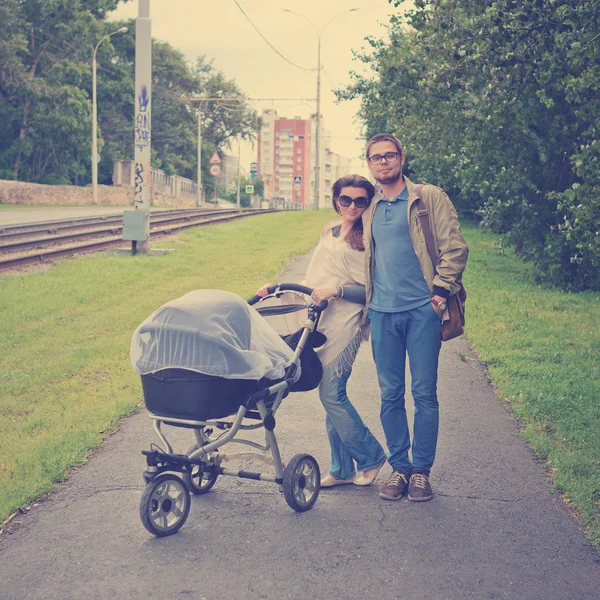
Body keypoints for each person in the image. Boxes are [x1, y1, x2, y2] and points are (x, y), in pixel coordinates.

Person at [257, 175, 386, 488]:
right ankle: (341, 468)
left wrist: (338, 289)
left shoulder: (369, 237)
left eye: (360, 201)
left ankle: (371, 456)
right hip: (318, 318)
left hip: (347, 321)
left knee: (331, 393)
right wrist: (276, 288)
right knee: (330, 396)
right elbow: (316, 275)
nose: (353, 206)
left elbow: (373, 289)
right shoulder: (328, 229)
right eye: (346, 200)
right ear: (336, 201)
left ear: (368, 204)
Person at [362, 133, 468, 502]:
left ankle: (421, 471)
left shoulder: (428, 197)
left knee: (424, 393)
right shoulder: (370, 207)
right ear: (369, 165)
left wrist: (438, 295)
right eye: (376, 158)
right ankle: (399, 468)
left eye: (389, 156)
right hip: (382, 314)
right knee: (390, 394)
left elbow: (455, 247)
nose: (383, 162)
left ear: (401, 158)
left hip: (423, 311)